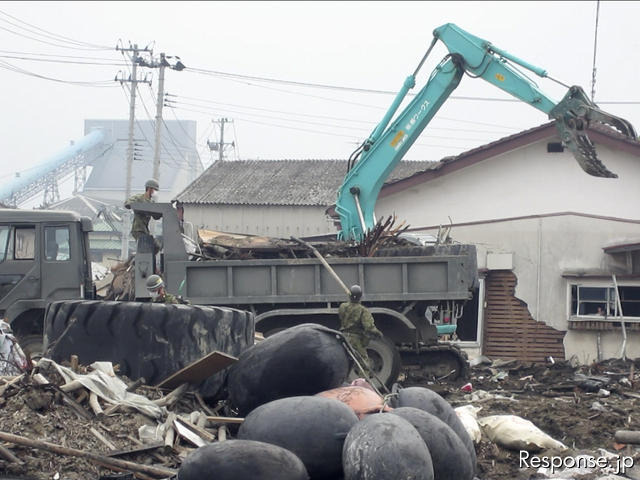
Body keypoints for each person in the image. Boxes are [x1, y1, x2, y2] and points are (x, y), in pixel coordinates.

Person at [339, 284, 383, 368]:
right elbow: (369, 327)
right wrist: (378, 334)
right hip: (355, 340)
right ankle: (363, 380)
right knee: (364, 363)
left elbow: (342, 316)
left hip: (343, 337)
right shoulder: (363, 310)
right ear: (360, 296)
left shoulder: (342, 307)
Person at [124, 179, 161, 253]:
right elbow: (127, 203)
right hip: (138, 229)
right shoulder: (139, 198)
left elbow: (156, 217)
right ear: (149, 189)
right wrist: (140, 207)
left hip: (145, 230)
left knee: (156, 246)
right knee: (144, 247)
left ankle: (146, 260)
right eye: (154, 190)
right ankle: (136, 259)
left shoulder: (152, 202)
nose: (155, 192)